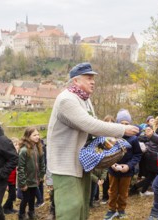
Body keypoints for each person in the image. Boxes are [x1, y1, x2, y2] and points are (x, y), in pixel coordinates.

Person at [47, 62, 139, 220]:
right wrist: (121, 130)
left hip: (82, 161)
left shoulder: (84, 99)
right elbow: (89, 124)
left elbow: (92, 124)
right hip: (65, 164)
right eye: (88, 78)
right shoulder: (66, 100)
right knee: (70, 207)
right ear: (76, 81)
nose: (93, 81)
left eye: (93, 78)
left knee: (82, 206)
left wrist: (109, 144)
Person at [103, 109, 142, 219]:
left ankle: (121, 210)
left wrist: (129, 166)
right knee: (112, 191)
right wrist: (112, 164)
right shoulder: (112, 137)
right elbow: (106, 153)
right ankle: (111, 210)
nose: (124, 126)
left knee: (124, 192)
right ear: (117, 124)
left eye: (127, 124)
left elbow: (137, 155)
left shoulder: (134, 139)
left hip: (127, 172)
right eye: (122, 124)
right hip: (113, 171)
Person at [130, 116, 158, 197]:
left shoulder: (155, 130)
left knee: (151, 176)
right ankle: (142, 190)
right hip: (155, 157)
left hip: (150, 155)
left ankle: (136, 188)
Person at [17, 127, 46, 220]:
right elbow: (20, 168)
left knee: (33, 197)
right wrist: (22, 183)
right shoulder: (24, 150)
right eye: (34, 135)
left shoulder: (38, 148)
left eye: (38, 134)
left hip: (35, 179)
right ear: (28, 136)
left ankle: (31, 212)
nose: (37, 137)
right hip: (26, 180)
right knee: (25, 199)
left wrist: (41, 175)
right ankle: (21, 214)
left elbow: (42, 163)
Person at [3, 137, 19, 214]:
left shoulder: (17, 154)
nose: (16, 146)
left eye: (17, 144)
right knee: (12, 195)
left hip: (14, 178)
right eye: (14, 144)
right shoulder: (7, 154)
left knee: (13, 194)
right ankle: (5, 208)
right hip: (8, 178)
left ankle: (10, 208)